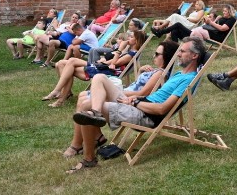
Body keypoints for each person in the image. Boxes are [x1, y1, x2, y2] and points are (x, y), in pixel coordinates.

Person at [67, 37, 206, 173]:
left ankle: (89, 160)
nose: (179, 54)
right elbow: (149, 96)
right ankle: (96, 113)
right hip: (139, 104)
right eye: (179, 51)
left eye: (182, 51)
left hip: (146, 115)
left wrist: (136, 101)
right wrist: (136, 98)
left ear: (194, 55)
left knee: (85, 106)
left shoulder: (188, 79)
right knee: (99, 78)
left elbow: (162, 109)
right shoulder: (178, 75)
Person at [62, 40, 180, 159]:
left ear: (166, 56)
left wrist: (114, 91)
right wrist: (140, 71)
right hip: (126, 95)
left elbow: (142, 93)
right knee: (83, 95)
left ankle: (77, 144)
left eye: (157, 54)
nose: (153, 56)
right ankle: (96, 136)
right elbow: (138, 85)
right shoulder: (155, 71)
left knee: (92, 90)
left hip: (128, 99)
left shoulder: (160, 74)